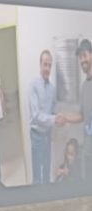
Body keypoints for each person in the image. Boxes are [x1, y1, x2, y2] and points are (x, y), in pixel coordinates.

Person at [29, 50, 65, 184]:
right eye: (45, 64)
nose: (47, 68)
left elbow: (53, 110)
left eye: (49, 65)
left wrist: (60, 117)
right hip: (37, 136)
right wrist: (55, 119)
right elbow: (36, 115)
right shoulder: (33, 85)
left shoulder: (52, 89)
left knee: (46, 172)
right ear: (40, 64)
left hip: (47, 135)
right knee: (37, 176)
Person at [62, 38, 92, 181]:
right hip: (88, 149)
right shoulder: (84, 87)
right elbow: (82, 115)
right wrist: (65, 117)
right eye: (80, 57)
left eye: (84, 55)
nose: (82, 60)